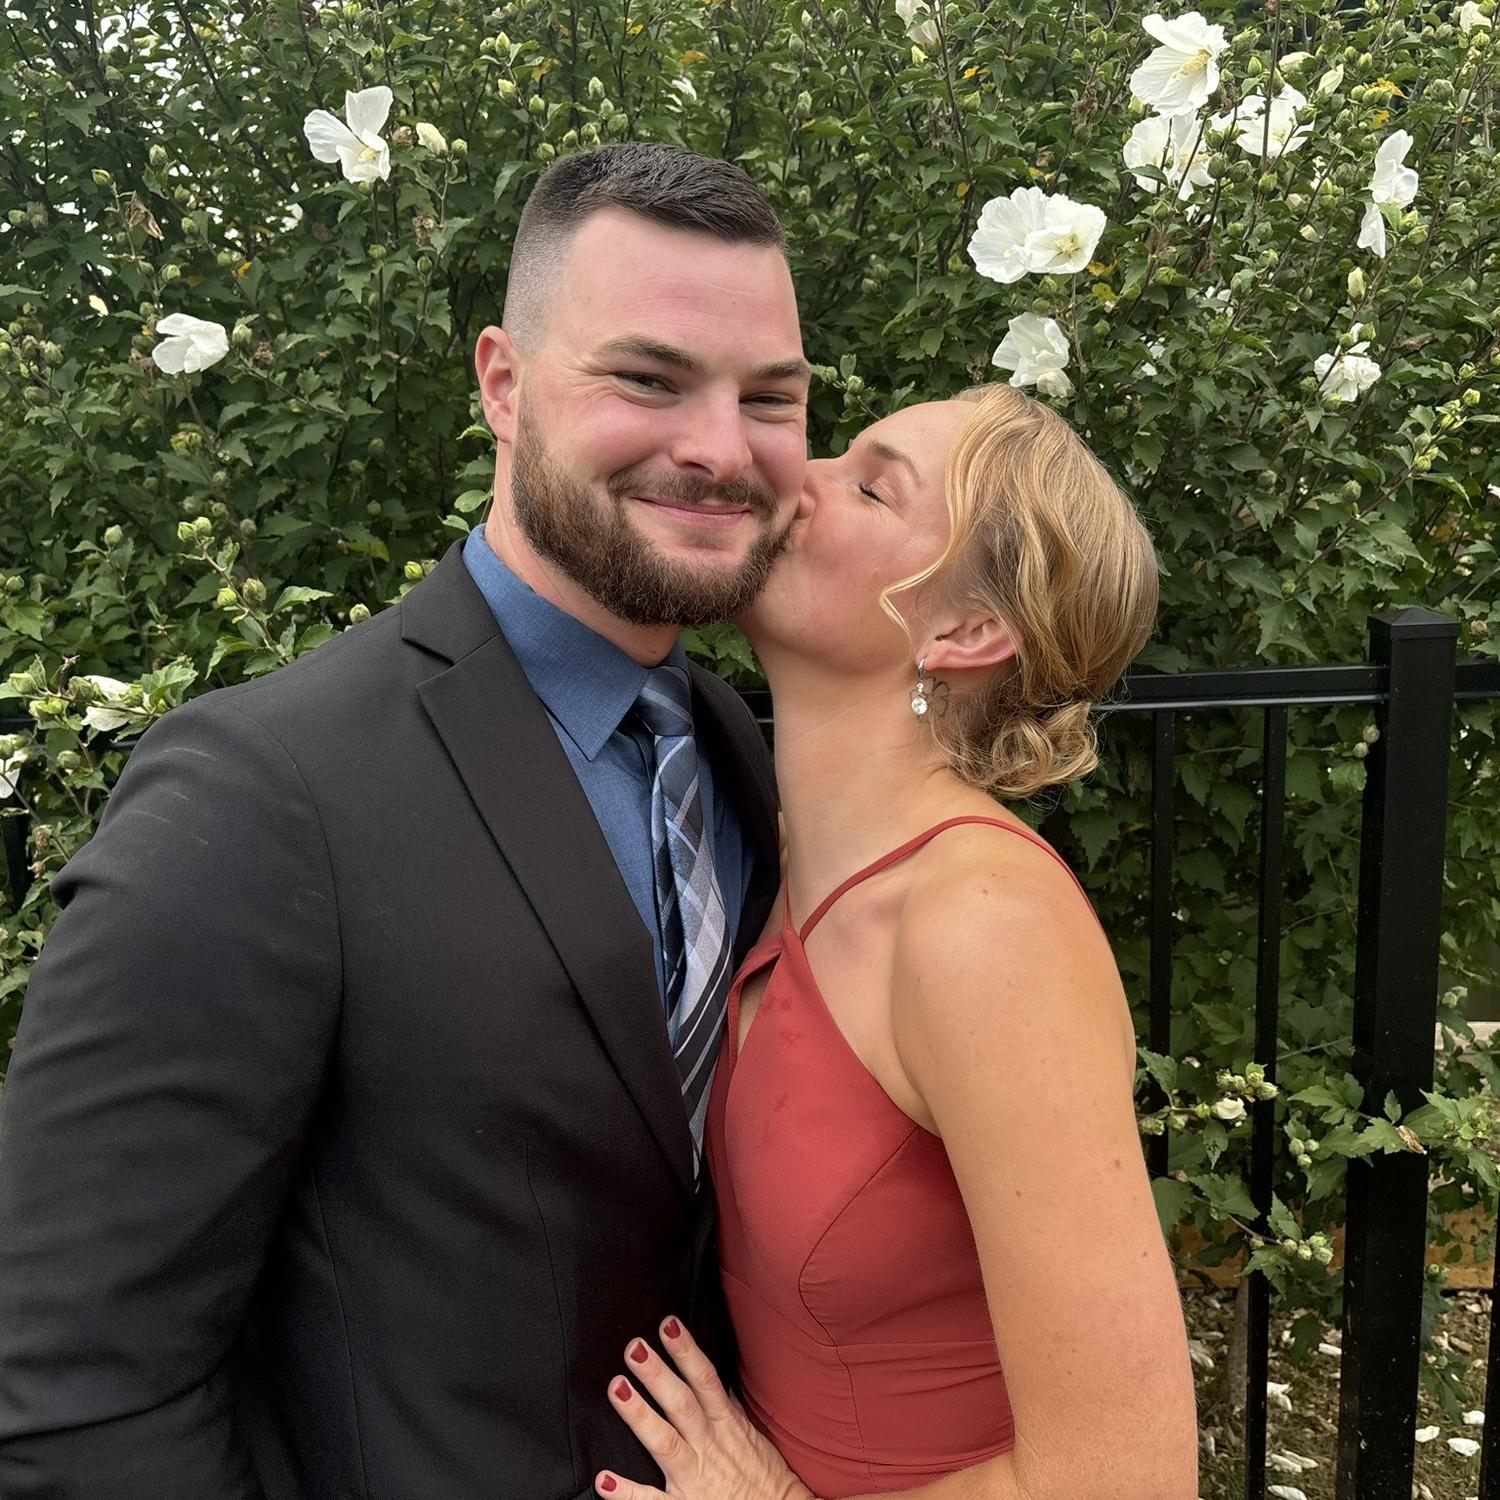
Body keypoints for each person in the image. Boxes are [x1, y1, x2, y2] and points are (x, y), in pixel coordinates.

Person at [0, 143, 812, 1498]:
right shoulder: (262, 793)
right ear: (503, 383)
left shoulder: (727, 745)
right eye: (647, 379)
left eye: (770, 396)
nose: (721, 448)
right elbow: (74, 1391)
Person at [591, 388, 1199, 1499]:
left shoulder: (985, 927)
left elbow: (1130, 1480)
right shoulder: (768, 853)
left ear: (965, 633)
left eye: (870, 487)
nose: (794, 474)